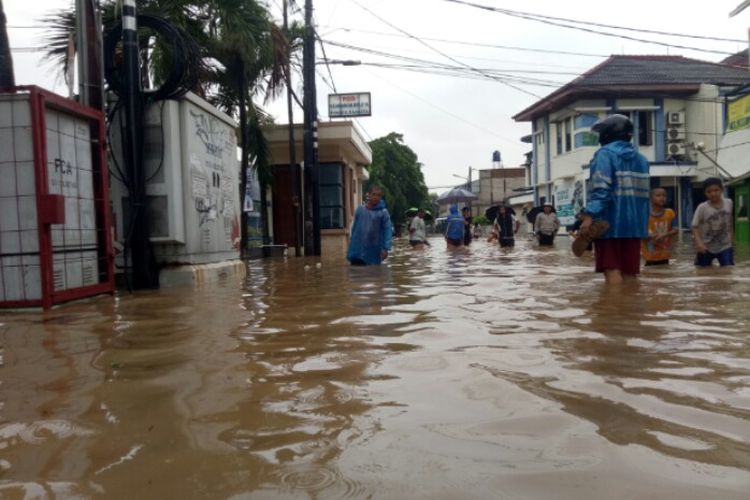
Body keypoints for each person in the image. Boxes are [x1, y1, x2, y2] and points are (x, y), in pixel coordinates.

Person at [578, 114, 650, 284]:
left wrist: (588, 215)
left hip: (610, 224)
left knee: (612, 268)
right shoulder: (642, 159)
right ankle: (630, 308)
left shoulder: (604, 154)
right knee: (630, 271)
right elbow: (644, 196)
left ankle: (614, 308)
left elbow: (601, 189)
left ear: (608, 134)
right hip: (635, 226)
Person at [692, 177, 734, 267]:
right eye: (709, 191)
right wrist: (699, 243)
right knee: (702, 272)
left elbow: (730, 220)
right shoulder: (702, 207)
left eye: (716, 190)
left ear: (722, 190)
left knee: (728, 270)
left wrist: (731, 238)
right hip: (706, 247)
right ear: (705, 193)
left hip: (725, 246)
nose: (713, 193)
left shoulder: (729, 203)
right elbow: (695, 226)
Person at [347, 186, 393, 265]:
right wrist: (351, 241)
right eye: (374, 194)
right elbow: (354, 227)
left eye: (378, 195)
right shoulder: (360, 210)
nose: (376, 197)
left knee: (372, 274)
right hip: (357, 249)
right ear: (369, 195)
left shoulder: (383, 213)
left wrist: (385, 248)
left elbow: (388, 230)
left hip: (374, 250)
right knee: (355, 273)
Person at [641, 187, 678, 266]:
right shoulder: (644, 214)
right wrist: (649, 236)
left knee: (664, 275)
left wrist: (665, 235)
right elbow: (637, 232)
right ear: (651, 198)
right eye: (658, 195)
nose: (662, 198)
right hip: (649, 256)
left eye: (664, 196)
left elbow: (676, 229)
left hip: (665, 254)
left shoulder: (670, 213)